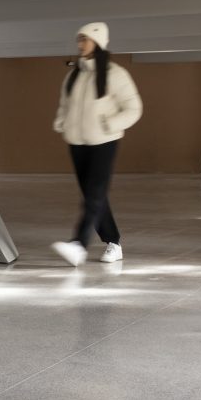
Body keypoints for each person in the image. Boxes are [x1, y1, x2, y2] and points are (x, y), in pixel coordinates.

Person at [51, 22, 142, 266]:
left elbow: (134, 108)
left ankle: (78, 245)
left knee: (93, 195)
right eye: (79, 39)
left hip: (104, 141)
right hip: (77, 142)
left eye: (85, 39)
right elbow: (65, 105)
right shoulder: (74, 74)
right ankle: (114, 242)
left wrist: (109, 124)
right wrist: (62, 122)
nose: (80, 44)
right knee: (94, 195)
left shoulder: (116, 74)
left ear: (98, 42)